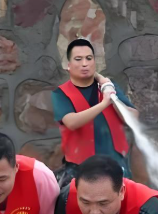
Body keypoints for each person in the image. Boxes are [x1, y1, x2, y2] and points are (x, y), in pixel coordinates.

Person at [52, 38, 138, 184]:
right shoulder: (61, 94)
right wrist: (104, 103)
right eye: (78, 59)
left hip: (116, 166)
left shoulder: (109, 87)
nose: (84, 63)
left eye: (89, 58)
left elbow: (133, 117)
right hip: (80, 171)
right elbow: (71, 122)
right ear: (69, 65)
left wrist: (113, 99)